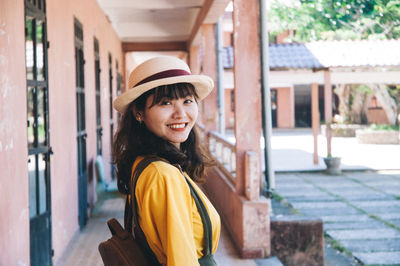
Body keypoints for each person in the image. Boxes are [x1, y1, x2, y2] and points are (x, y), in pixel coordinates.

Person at [112, 56, 221, 265]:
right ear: (139, 113)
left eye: (187, 101)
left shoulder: (146, 163)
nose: (180, 114)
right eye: (166, 103)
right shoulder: (162, 175)